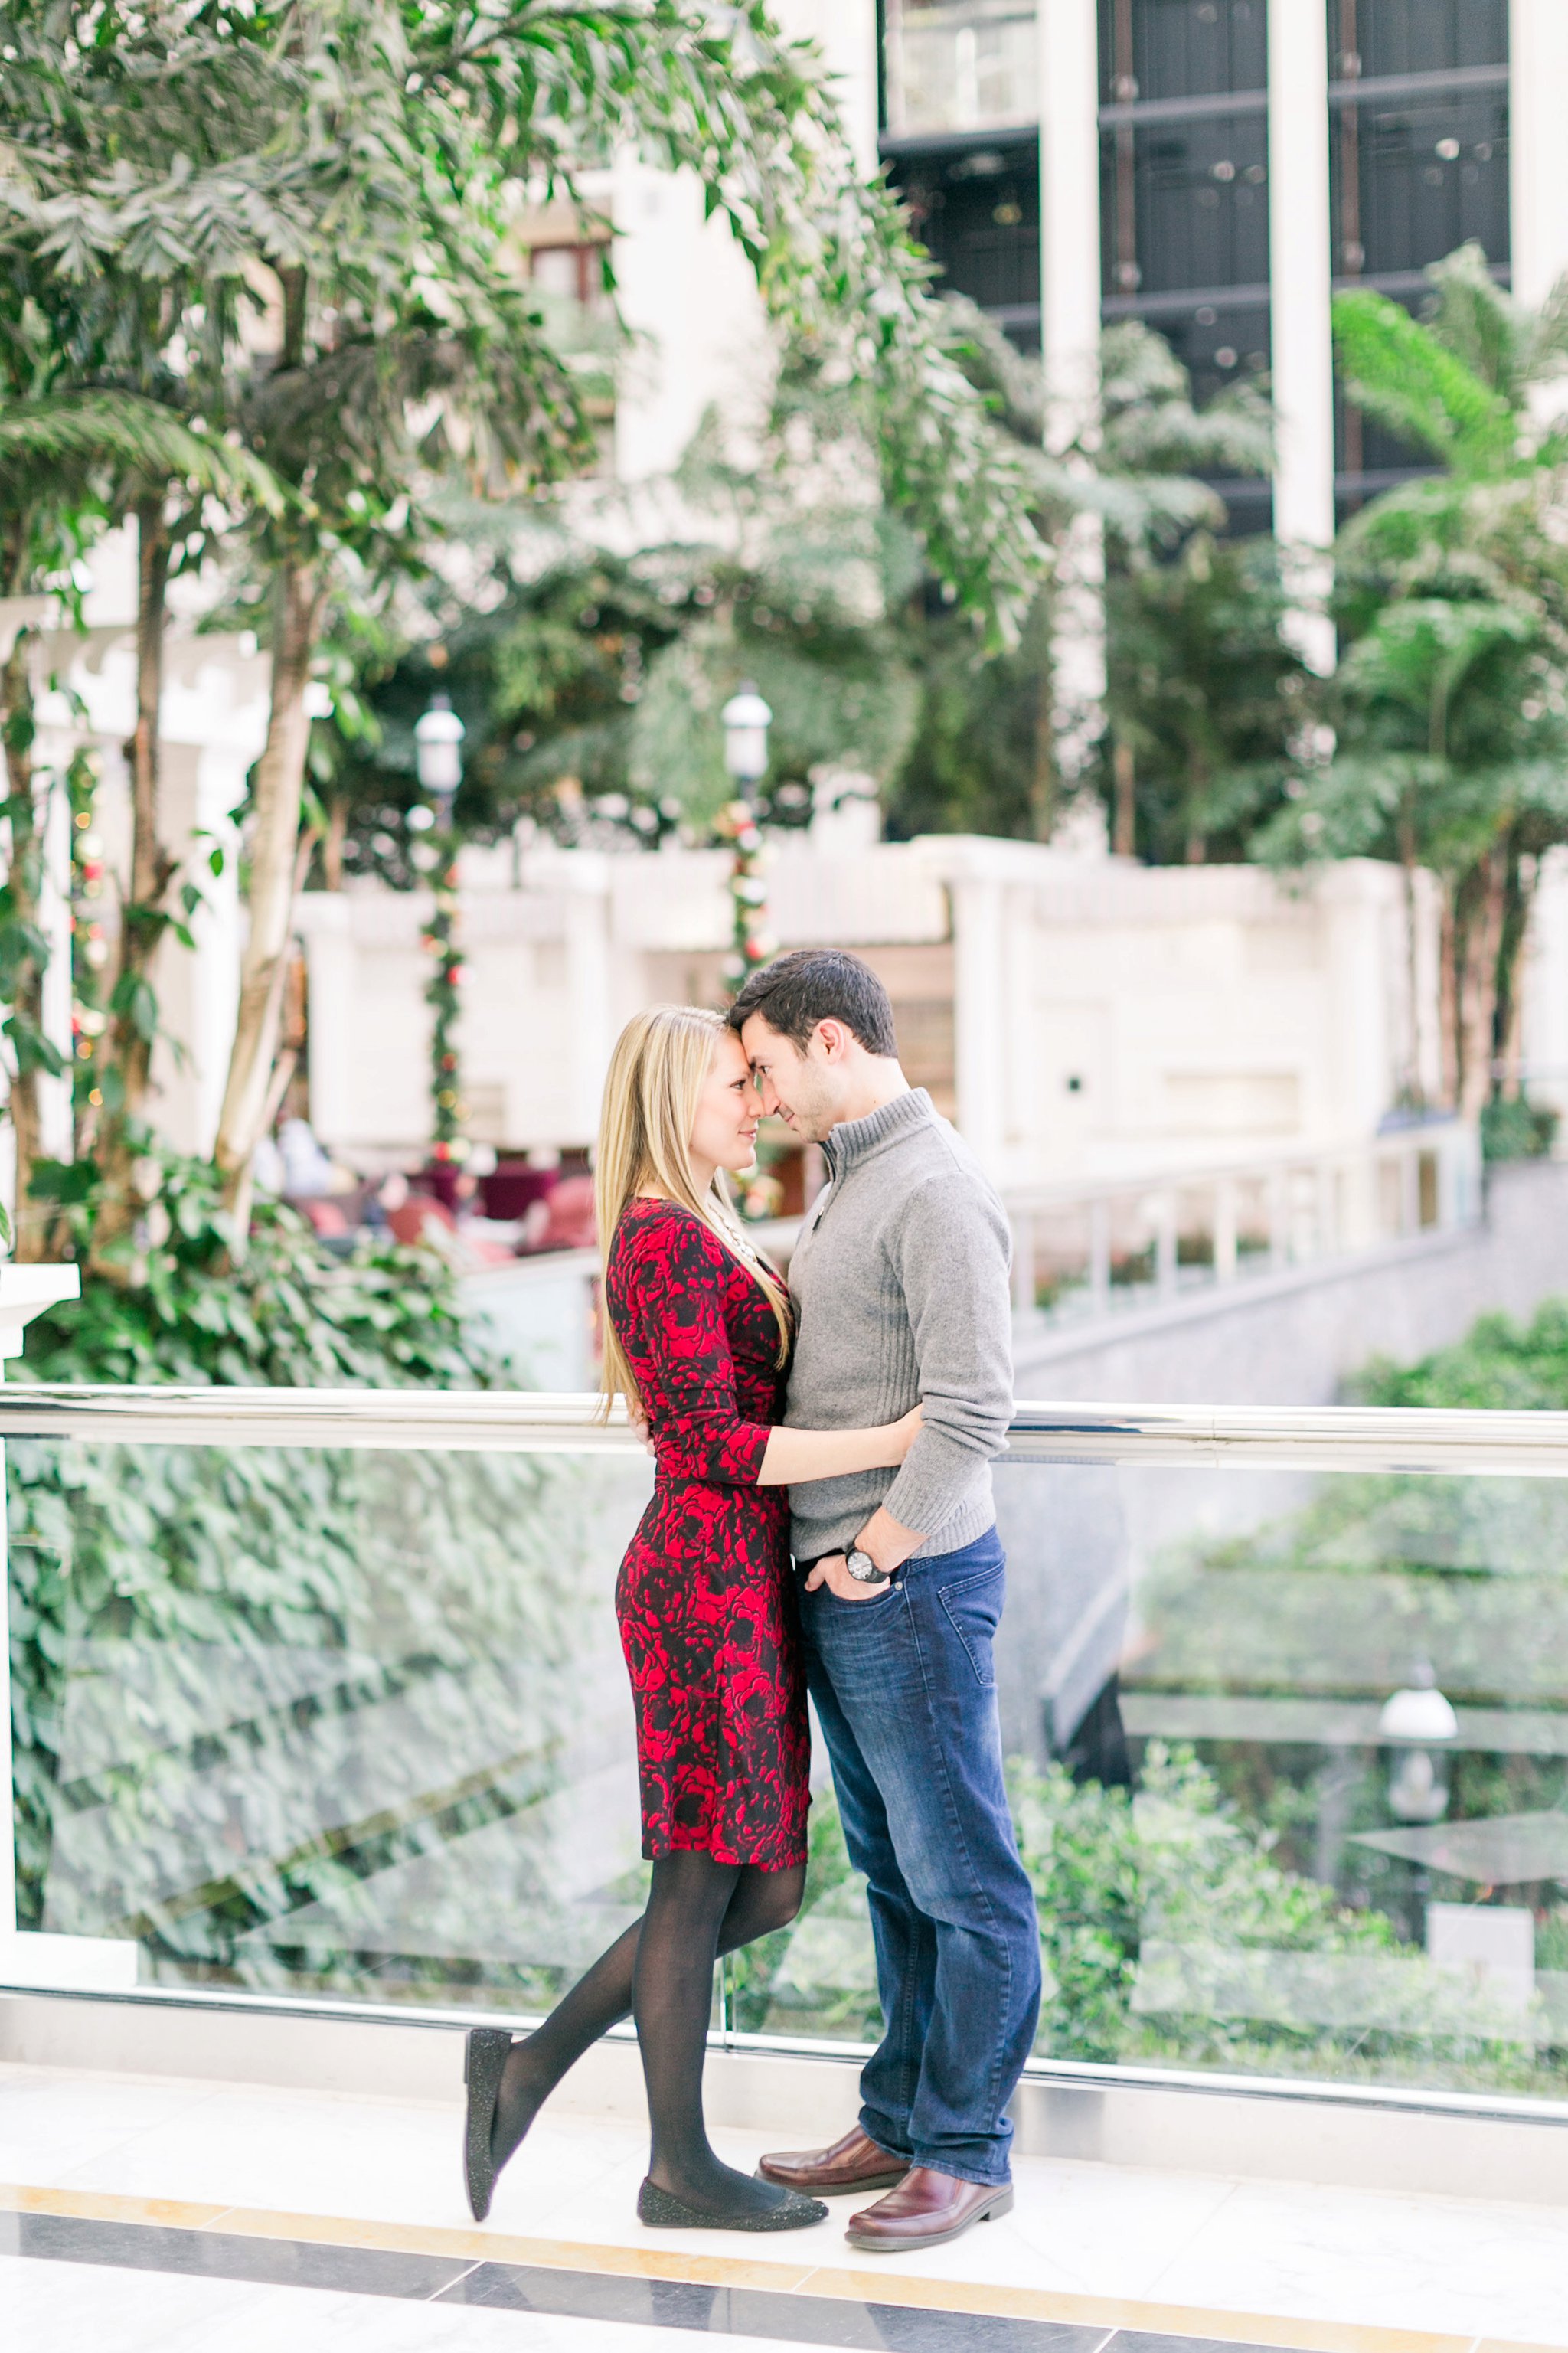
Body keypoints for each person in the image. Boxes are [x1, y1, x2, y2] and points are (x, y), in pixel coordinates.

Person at [462, 1004, 923, 2234]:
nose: (757, 1102)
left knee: (763, 1889)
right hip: (698, 1585)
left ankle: (525, 2067)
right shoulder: (659, 1241)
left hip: (741, 1581)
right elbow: (707, 1441)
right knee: (696, 1879)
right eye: (735, 1084)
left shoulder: (704, 1221)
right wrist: (896, 1438)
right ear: (675, 1097)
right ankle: (676, 2168)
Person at [732, 949, 1041, 2257]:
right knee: (896, 1878)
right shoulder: (856, 1177)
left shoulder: (939, 1189)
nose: (758, 1095)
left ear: (830, 1044)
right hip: (852, 1586)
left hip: (902, 1583)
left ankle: (966, 2150)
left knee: (964, 1877)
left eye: (764, 1068)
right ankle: (904, 2115)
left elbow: (975, 1407)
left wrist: (873, 1556)